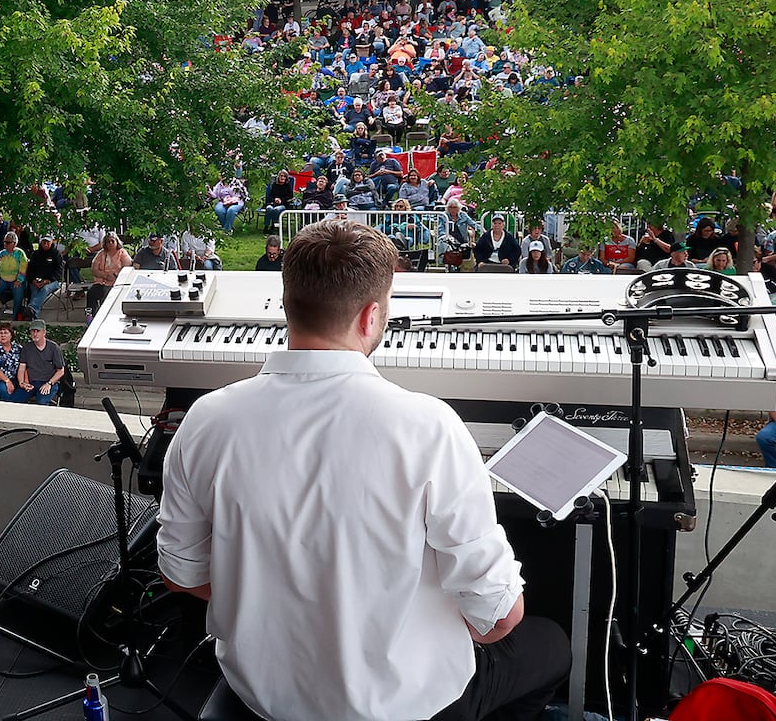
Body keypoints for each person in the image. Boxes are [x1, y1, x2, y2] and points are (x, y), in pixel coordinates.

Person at [156, 221, 568, 719]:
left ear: (287, 306)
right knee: (550, 646)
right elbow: (499, 619)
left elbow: (180, 576)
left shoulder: (205, 421)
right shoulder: (430, 428)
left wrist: (271, 593)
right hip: (404, 706)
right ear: (372, 316)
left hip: (262, 697)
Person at [16, 320, 66, 405]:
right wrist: (22, 383)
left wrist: (49, 383)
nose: (35, 334)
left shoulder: (53, 348)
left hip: (48, 381)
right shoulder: (27, 347)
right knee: (14, 400)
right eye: (33, 331)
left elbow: (61, 371)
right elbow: (22, 368)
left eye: (38, 331)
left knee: (41, 402)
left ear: (44, 332)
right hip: (31, 382)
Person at [87, 232, 133, 315]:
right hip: (101, 282)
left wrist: (115, 275)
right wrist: (105, 275)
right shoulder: (101, 254)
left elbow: (128, 269)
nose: (110, 243)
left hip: (117, 283)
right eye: (108, 242)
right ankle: (90, 316)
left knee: (108, 295)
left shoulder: (122, 253)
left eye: (112, 241)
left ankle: (106, 315)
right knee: (91, 293)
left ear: (117, 242)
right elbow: (94, 270)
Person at [0, 231, 29, 320]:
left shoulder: (20, 253)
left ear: (14, 243)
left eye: (8, 242)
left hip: (16, 280)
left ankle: (15, 317)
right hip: (2, 279)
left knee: (18, 295)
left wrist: (19, 280)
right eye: (4, 242)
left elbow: (23, 268)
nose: (5, 244)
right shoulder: (1, 254)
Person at [0, 324, 25, 402]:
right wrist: (7, 381)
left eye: (5, 333)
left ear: (11, 335)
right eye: (1, 333)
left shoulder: (19, 349)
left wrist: (22, 381)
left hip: (13, 379)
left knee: (7, 391)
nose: (3, 335)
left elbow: (23, 366)